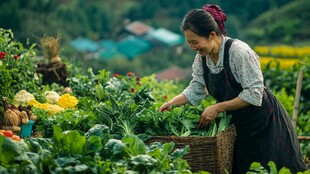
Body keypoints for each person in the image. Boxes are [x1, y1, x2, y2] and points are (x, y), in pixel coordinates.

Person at [159, 4, 307, 174]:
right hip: (237, 125)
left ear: (212, 35)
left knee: (271, 167)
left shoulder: (239, 53)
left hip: (264, 122)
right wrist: (172, 103)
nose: (193, 47)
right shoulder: (202, 58)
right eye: (189, 42)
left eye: (195, 42)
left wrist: (218, 107)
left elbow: (254, 94)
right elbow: (197, 88)